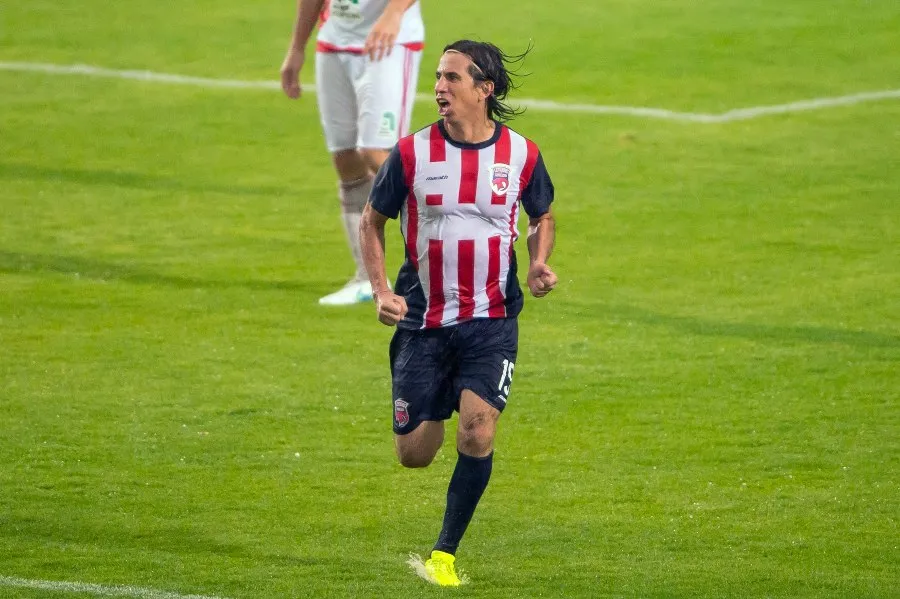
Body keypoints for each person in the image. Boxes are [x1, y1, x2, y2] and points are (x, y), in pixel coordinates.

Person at [359, 39, 557, 586]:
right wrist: (381, 290)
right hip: (423, 322)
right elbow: (371, 221)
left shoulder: (522, 154)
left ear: (483, 88)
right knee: (415, 454)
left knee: (477, 431)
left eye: (451, 78)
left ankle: (443, 554)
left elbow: (543, 216)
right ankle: (438, 396)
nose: (439, 88)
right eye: (438, 78)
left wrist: (539, 262)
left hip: (492, 321)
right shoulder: (411, 154)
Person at [280, 0, 424, 305]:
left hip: (389, 41)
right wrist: (297, 46)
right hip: (334, 42)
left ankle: (447, 252)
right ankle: (367, 278)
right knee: (345, 157)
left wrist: (393, 12)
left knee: (376, 153)